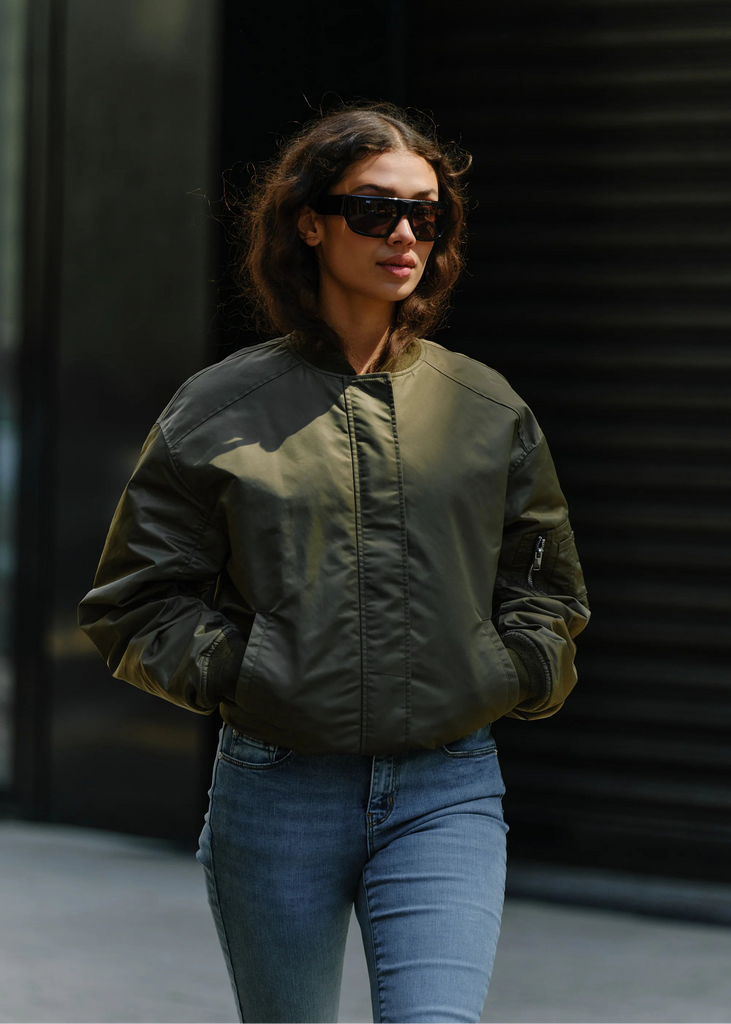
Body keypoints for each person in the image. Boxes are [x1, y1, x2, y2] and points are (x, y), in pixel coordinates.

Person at [78, 100, 591, 1024]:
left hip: (447, 784)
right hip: (279, 792)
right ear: (308, 222)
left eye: (425, 215)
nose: (404, 235)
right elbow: (135, 601)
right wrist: (252, 674)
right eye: (373, 210)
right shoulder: (221, 407)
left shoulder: (485, 406)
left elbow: (544, 585)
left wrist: (508, 670)